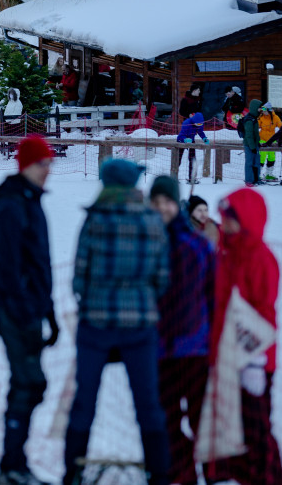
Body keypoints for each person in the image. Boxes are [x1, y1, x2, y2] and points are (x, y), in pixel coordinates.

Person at [65, 159, 169, 485]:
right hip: (140, 324)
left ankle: (73, 472)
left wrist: (93, 298)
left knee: (84, 400)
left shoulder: (95, 220)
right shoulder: (153, 221)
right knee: (148, 403)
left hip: (96, 322)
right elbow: (162, 278)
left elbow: (78, 277)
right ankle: (159, 474)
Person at [0, 136, 58, 485]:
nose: (48, 171)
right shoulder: (11, 206)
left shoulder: (31, 201)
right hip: (15, 311)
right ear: (27, 165)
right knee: (30, 383)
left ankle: (14, 464)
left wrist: (50, 311)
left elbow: (39, 263)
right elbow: (9, 269)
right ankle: (11, 466)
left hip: (30, 308)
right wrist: (25, 311)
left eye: (49, 164)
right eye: (43, 164)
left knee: (26, 385)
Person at [209, 188, 282, 484]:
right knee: (229, 428)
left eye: (230, 219)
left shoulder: (261, 258)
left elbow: (264, 313)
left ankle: (269, 478)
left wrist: (255, 361)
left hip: (254, 362)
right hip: (225, 358)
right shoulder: (225, 253)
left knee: (256, 430)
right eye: (224, 218)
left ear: (247, 221)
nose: (223, 224)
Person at [149, 176, 214, 485]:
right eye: (156, 202)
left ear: (178, 205)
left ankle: (215, 474)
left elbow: (213, 293)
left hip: (195, 346)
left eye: (167, 202)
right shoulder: (146, 243)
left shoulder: (197, 244)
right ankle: (184, 474)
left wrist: (213, 335)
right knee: (167, 419)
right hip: (159, 349)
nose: (162, 208)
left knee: (202, 416)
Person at [176, 112, 209, 183]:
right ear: (194, 121)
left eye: (200, 124)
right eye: (197, 124)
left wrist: (204, 138)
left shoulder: (199, 124)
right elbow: (180, 136)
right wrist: (185, 139)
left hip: (192, 142)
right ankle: (174, 178)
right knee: (178, 160)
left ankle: (192, 178)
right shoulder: (186, 123)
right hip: (181, 141)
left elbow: (200, 132)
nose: (199, 126)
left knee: (192, 159)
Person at [238, 99, 261, 185]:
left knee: (256, 162)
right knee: (249, 162)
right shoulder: (249, 120)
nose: (260, 110)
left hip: (254, 145)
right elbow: (249, 135)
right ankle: (249, 180)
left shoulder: (254, 118)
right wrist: (252, 147)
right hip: (249, 145)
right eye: (259, 109)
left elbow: (255, 133)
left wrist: (257, 143)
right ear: (255, 108)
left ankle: (256, 179)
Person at [256, 103, 282, 181]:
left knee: (272, 157)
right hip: (262, 139)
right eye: (262, 110)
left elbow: (281, 126)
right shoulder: (261, 117)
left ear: (269, 110)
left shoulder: (275, 117)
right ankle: (258, 174)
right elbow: (257, 125)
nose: (263, 112)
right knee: (262, 157)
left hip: (272, 140)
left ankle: (269, 174)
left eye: (265, 110)